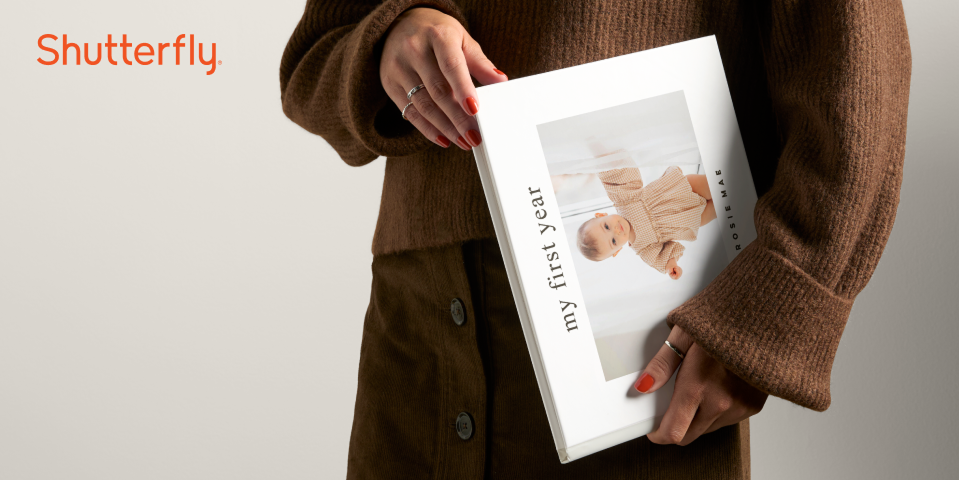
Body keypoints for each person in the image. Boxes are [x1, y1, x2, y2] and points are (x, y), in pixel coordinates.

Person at [279, 1, 911, 478]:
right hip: (417, 329)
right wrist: (390, 38)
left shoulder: (630, 207)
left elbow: (859, 79)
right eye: (608, 238)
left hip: (647, 365)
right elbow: (313, 61)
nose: (613, 232)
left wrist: (768, 315)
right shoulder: (632, 232)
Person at [576, 166, 715, 280]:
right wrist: (671, 266)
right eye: (613, 241)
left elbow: (613, 173)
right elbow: (662, 256)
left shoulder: (623, 200)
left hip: (685, 189)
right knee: (719, 206)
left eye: (606, 226)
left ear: (601, 215)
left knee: (716, 186)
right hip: (693, 219)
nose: (616, 231)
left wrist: (601, 158)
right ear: (617, 250)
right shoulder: (643, 248)